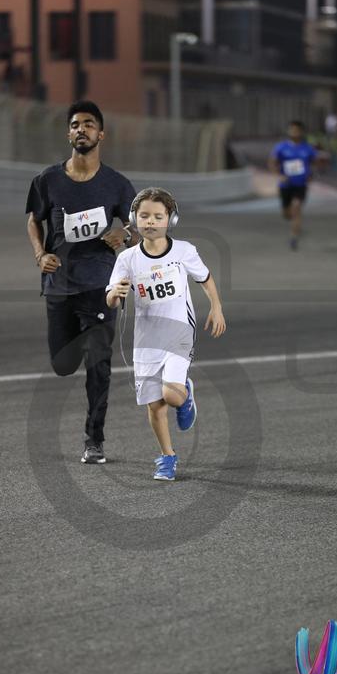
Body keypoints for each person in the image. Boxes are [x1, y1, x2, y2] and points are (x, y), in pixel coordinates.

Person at [26, 100, 136, 464]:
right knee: (62, 364)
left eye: (88, 124)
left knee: (98, 364)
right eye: (75, 125)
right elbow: (33, 219)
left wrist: (126, 234)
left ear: (100, 134)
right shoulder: (47, 180)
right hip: (59, 285)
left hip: (100, 286)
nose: (81, 129)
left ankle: (94, 439)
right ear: (68, 134)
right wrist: (40, 254)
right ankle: (84, 343)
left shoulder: (116, 184)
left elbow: (139, 225)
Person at [106, 188, 226, 481]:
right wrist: (115, 294)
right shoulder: (127, 259)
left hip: (178, 331)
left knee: (170, 396)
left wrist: (216, 307)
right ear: (134, 218)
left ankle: (184, 394)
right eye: (144, 216)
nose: (150, 221)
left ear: (170, 220)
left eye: (158, 217)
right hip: (146, 339)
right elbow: (110, 299)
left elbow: (205, 278)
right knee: (154, 404)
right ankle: (167, 457)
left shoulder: (184, 251)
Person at [269, 121, 318, 250]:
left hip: (300, 185)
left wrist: (311, 174)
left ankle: (294, 237)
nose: (294, 132)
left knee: (296, 208)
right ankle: (292, 219)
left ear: (301, 132)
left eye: (296, 130)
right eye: (291, 130)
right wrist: (279, 175)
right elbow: (272, 163)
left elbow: (315, 163)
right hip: (285, 185)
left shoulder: (308, 148)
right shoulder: (281, 147)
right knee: (287, 214)